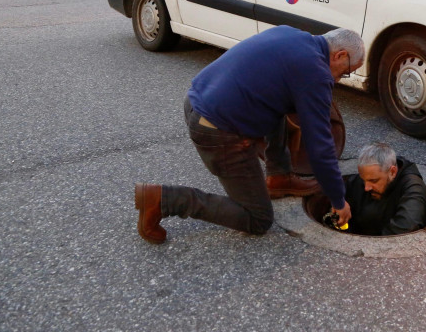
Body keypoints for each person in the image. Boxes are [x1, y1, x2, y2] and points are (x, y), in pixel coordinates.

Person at [134, 25, 365, 244]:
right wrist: (338, 199)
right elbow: (320, 147)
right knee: (258, 219)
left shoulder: (292, 35)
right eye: (345, 73)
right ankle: (163, 200)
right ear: (339, 55)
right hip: (216, 130)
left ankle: (279, 176)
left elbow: (277, 96)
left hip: (198, 100)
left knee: (281, 103)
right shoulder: (316, 72)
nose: (337, 80)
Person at [342, 142, 426, 236]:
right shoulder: (370, 176)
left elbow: (406, 226)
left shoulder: (413, 188)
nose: (366, 187)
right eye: (364, 180)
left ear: (392, 172)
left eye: (374, 181)